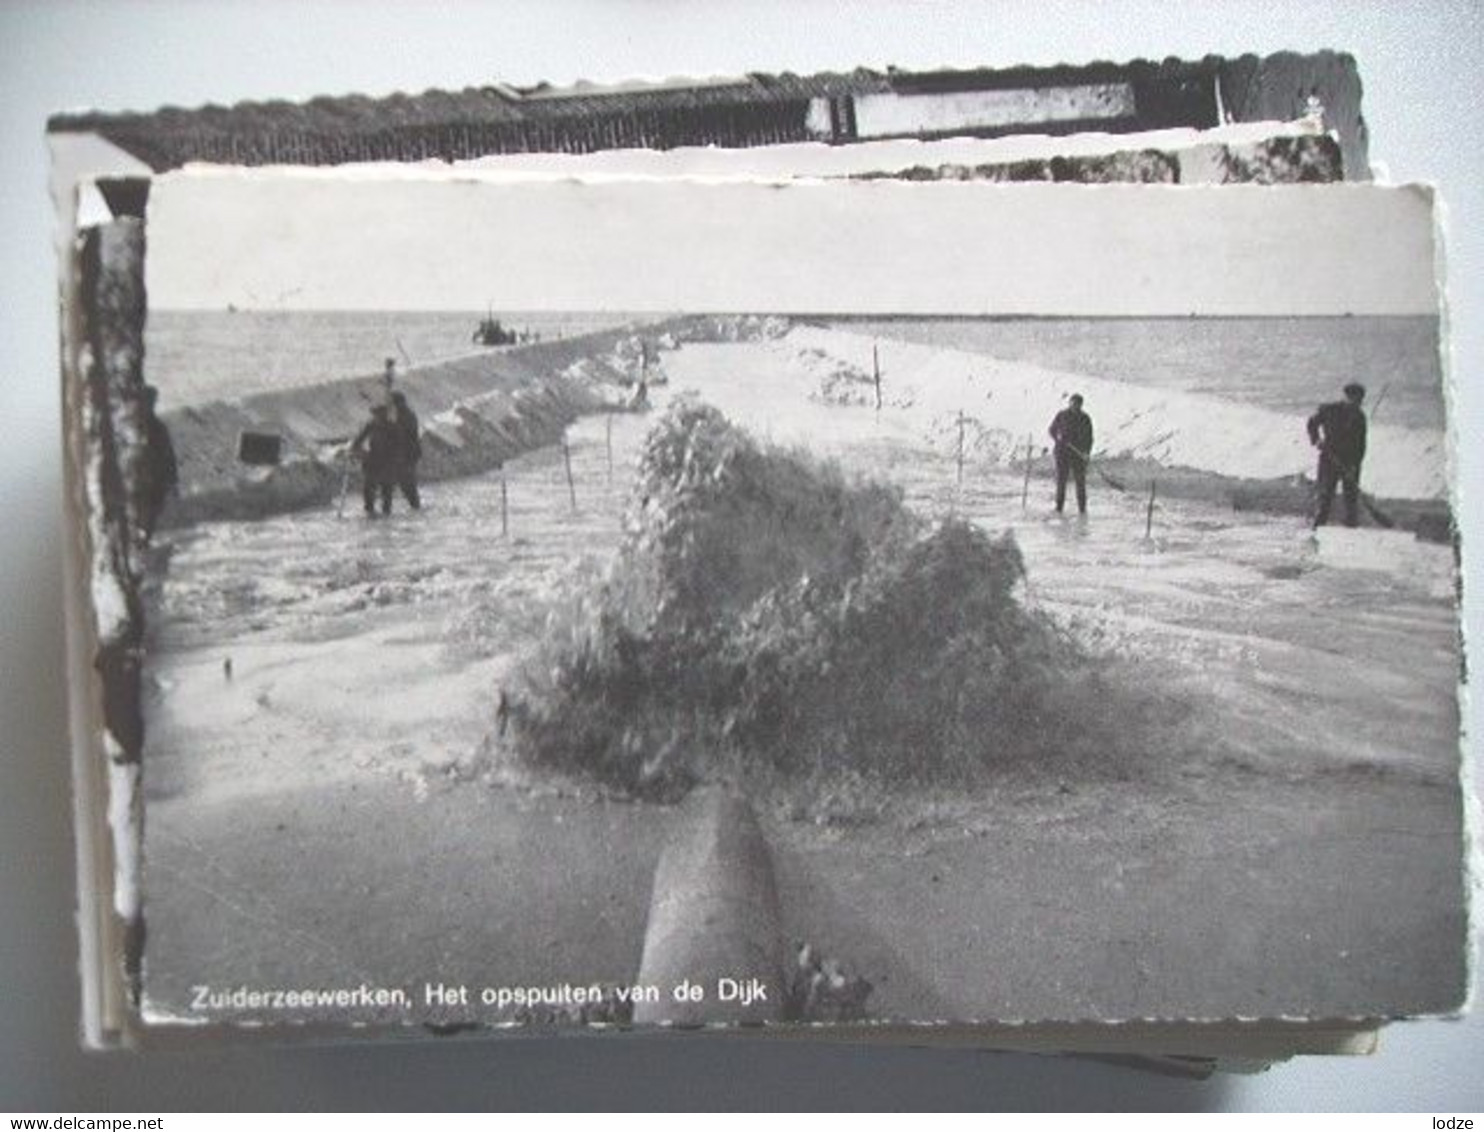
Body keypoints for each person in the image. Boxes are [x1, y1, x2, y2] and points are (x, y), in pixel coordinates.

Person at [1306, 382, 1368, 528]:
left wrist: (1354, 467)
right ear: (1347, 397)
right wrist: (1316, 440)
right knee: (1325, 497)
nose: (1357, 404)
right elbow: (1312, 423)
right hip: (1329, 459)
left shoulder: (1360, 417)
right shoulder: (1330, 410)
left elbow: (1361, 446)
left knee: (1351, 502)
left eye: (1359, 401)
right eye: (1354, 400)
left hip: (1350, 463)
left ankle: (1350, 534)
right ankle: (1316, 529)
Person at [140, 384, 178, 539]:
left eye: (151, 401)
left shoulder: (158, 428)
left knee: (151, 516)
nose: (150, 405)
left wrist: (172, 481)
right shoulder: (134, 427)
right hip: (140, 482)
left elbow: (168, 455)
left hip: (156, 481)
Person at [1048, 393, 1094, 515]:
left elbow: (1089, 438)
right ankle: (1059, 508)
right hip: (1062, 453)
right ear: (1070, 403)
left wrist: (1087, 453)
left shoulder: (1085, 418)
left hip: (1078, 456)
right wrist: (1058, 438)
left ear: (1081, 405)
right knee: (1061, 481)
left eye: (1077, 404)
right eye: (1072, 403)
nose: (1074, 406)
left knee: (1080, 482)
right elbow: (1052, 430)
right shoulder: (1062, 415)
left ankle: (1082, 509)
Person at [352, 403, 400, 517]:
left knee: (387, 492)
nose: (379, 416)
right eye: (377, 414)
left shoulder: (393, 427)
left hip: (388, 463)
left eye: (382, 413)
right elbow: (357, 443)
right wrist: (361, 453)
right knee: (368, 491)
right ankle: (370, 514)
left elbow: (400, 446)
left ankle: (386, 516)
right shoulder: (370, 426)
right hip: (372, 461)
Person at [389, 390, 422, 510]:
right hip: (406, 454)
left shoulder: (406, 416)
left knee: (407, 482)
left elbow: (404, 436)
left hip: (407, 454)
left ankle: (415, 506)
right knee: (406, 482)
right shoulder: (403, 415)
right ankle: (415, 506)